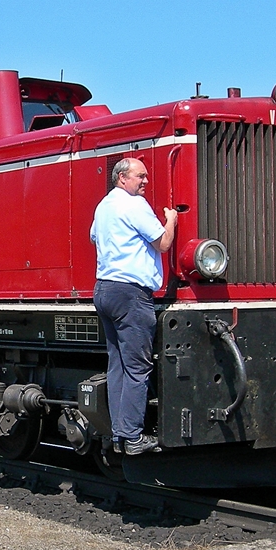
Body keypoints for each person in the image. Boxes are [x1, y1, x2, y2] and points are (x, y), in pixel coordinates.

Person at [90, 157, 177, 456]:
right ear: (123, 177)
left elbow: (93, 237)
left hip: (104, 289)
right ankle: (132, 437)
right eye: (141, 176)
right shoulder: (134, 205)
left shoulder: (104, 206)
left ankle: (119, 434)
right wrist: (171, 220)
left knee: (118, 366)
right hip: (130, 293)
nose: (145, 182)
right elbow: (162, 243)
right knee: (137, 367)